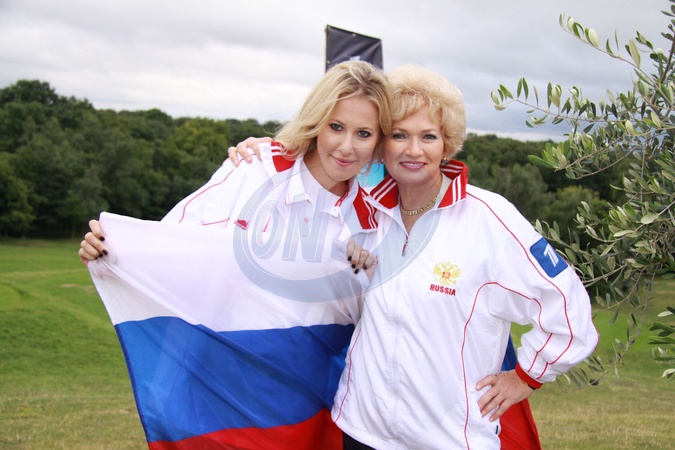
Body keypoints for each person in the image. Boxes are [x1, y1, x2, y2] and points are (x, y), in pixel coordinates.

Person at [229, 64, 599, 449]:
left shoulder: (489, 219)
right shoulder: (364, 211)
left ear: (447, 143)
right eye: (399, 135)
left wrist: (525, 378)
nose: (413, 150)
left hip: (449, 440)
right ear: (382, 144)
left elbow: (568, 309)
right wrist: (268, 154)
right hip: (360, 431)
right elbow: (305, 194)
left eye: (428, 136)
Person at [78, 60, 391, 450]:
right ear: (316, 122)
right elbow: (176, 243)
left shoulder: (375, 224)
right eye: (336, 127)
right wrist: (111, 251)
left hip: (303, 403)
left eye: (364, 134)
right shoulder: (254, 169)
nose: (346, 147)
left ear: (379, 141)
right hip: (220, 382)